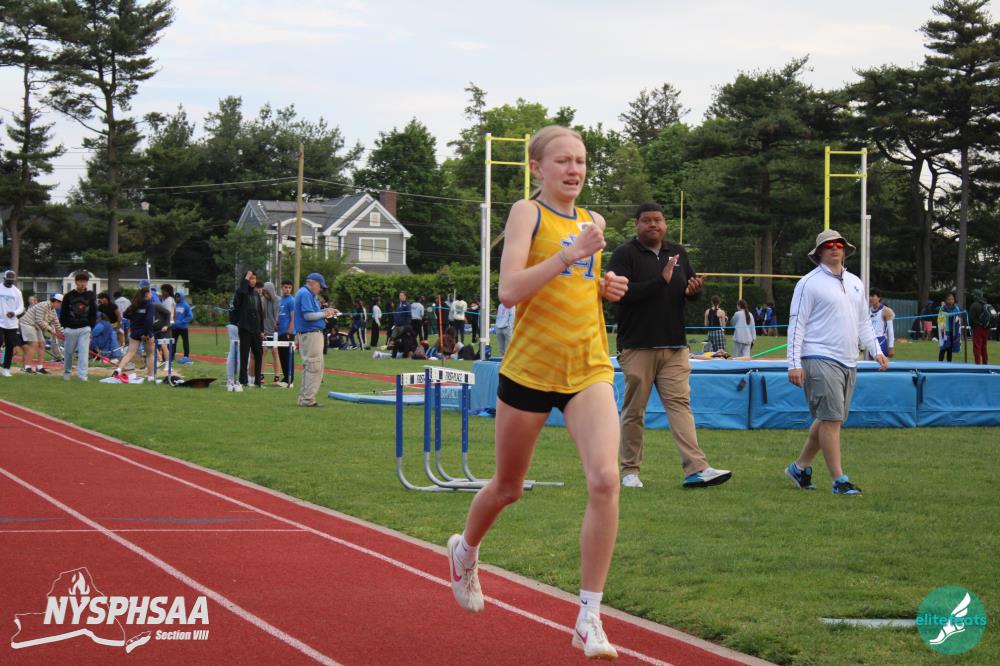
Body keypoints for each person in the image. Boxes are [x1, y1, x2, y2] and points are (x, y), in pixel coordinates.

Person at [446, 126, 629, 659]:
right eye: (563, 160)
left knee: (605, 479)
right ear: (537, 168)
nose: (574, 169)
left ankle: (589, 617)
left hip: (588, 367)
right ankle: (465, 552)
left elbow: (576, 287)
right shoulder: (528, 213)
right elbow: (509, 291)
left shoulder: (594, 222)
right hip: (529, 369)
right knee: (508, 487)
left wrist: (604, 287)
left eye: (581, 161)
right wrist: (570, 256)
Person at [606, 202, 732, 490]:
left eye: (658, 220)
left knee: (680, 405)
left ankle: (696, 468)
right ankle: (630, 471)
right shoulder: (624, 254)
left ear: (665, 224)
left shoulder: (677, 252)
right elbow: (620, 294)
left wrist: (694, 292)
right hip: (637, 346)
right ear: (637, 224)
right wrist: (659, 281)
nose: (654, 225)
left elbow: (684, 290)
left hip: (675, 345)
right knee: (634, 410)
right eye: (647, 220)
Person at [785, 229, 887, 496]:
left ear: (845, 249)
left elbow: (863, 322)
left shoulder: (855, 282)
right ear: (819, 251)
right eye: (828, 245)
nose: (834, 248)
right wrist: (793, 363)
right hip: (818, 356)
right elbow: (797, 324)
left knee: (829, 418)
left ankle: (799, 467)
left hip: (848, 359)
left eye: (839, 244)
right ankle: (839, 480)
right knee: (831, 420)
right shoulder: (808, 283)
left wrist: (876, 350)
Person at [294, 272, 338, 407]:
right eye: (320, 286)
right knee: (314, 366)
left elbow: (314, 313)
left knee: (310, 366)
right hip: (311, 334)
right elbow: (308, 316)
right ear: (313, 283)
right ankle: (308, 400)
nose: (321, 290)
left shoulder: (307, 294)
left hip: (310, 334)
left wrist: (327, 310)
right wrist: (325, 313)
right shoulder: (305, 294)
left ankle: (304, 398)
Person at [114, 287, 158, 383]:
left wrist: (135, 318)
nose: (151, 294)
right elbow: (149, 320)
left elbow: (125, 314)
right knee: (150, 354)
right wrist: (146, 334)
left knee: (130, 353)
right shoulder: (150, 305)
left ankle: (118, 369)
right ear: (147, 294)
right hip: (146, 332)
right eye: (150, 292)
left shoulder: (135, 304)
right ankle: (150, 377)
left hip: (134, 331)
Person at [59, 271, 97, 381]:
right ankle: (67, 372)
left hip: (85, 328)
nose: (82, 284)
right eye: (80, 281)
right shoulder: (68, 296)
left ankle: (82, 376)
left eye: (85, 281)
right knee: (68, 353)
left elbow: (93, 313)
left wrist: (90, 327)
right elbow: (63, 313)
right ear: (76, 282)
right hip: (70, 328)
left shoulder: (90, 296)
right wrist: (65, 326)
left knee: (83, 352)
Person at [232, 271, 264, 387]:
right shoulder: (241, 292)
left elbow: (260, 312)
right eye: (251, 278)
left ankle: (258, 381)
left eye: (254, 278)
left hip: (256, 329)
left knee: (258, 354)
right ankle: (243, 380)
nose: (253, 281)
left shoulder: (256, 294)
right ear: (246, 280)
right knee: (244, 355)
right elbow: (242, 294)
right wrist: (246, 278)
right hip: (245, 328)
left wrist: (262, 330)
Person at [19, 293, 64, 374]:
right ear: (56, 301)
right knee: (34, 344)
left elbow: (57, 324)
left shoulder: (53, 310)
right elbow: (39, 320)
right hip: (27, 323)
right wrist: (50, 329)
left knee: (42, 344)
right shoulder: (43, 305)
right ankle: (26, 367)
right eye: (61, 303)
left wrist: (65, 333)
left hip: (37, 326)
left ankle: (39, 367)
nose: (61, 305)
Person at [1, 269, 26, 377]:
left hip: (11, 324)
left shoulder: (17, 292)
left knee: (10, 346)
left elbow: (21, 307)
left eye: (12, 280)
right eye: (8, 280)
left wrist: (14, 313)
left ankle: (6, 369)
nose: (10, 281)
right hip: (0, 322)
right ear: (4, 278)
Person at [276, 280, 295, 386]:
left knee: (288, 356)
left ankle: (290, 379)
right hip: (280, 332)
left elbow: (293, 317)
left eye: (289, 287)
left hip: (288, 332)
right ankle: (286, 377)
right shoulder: (280, 300)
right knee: (282, 355)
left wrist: (289, 331)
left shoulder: (292, 301)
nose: (287, 289)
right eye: (285, 287)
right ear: (282, 288)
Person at [260, 282, 280, 381]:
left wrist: (277, 323)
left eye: (267, 292)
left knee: (275, 352)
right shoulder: (262, 300)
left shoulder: (278, 300)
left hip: (275, 331)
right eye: (264, 292)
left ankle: (277, 376)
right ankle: (261, 375)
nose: (265, 294)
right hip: (265, 330)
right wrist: (261, 329)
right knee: (264, 350)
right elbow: (261, 315)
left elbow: (279, 315)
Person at [867, 288, 895, 360]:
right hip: (870, 340)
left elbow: (890, 330)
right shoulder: (868, 310)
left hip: (880, 340)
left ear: (879, 298)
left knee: (881, 363)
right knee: (869, 364)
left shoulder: (886, 311)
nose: (870, 298)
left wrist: (891, 347)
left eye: (873, 296)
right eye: (869, 296)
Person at [968, 289, 993, 365]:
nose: (973, 296)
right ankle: (985, 364)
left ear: (976, 296)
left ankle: (978, 364)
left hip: (977, 328)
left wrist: (972, 326)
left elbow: (971, 319)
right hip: (986, 328)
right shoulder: (986, 304)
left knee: (977, 347)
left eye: (973, 295)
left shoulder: (974, 305)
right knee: (984, 347)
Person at [937, 293, 962, 363]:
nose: (951, 301)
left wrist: (954, 315)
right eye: (949, 299)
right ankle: (940, 363)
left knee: (950, 348)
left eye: (952, 299)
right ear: (946, 300)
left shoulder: (956, 308)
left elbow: (958, 315)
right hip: (945, 331)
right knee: (943, 347)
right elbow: (939, 315)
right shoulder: (943, 308)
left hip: (953, 331)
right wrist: (946, 314)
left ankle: (949, 364)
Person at [172, 291, 194, 364]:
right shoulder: (175, 305)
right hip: (175, 327)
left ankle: (186, 356)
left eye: (178, 297)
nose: (176, 298)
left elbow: (190, 316)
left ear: (181, 297)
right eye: (175, 297)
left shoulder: (186, 305)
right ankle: (171, 356)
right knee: (173, 342)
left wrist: (182, 321)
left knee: (185, 342)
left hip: (183, 328)